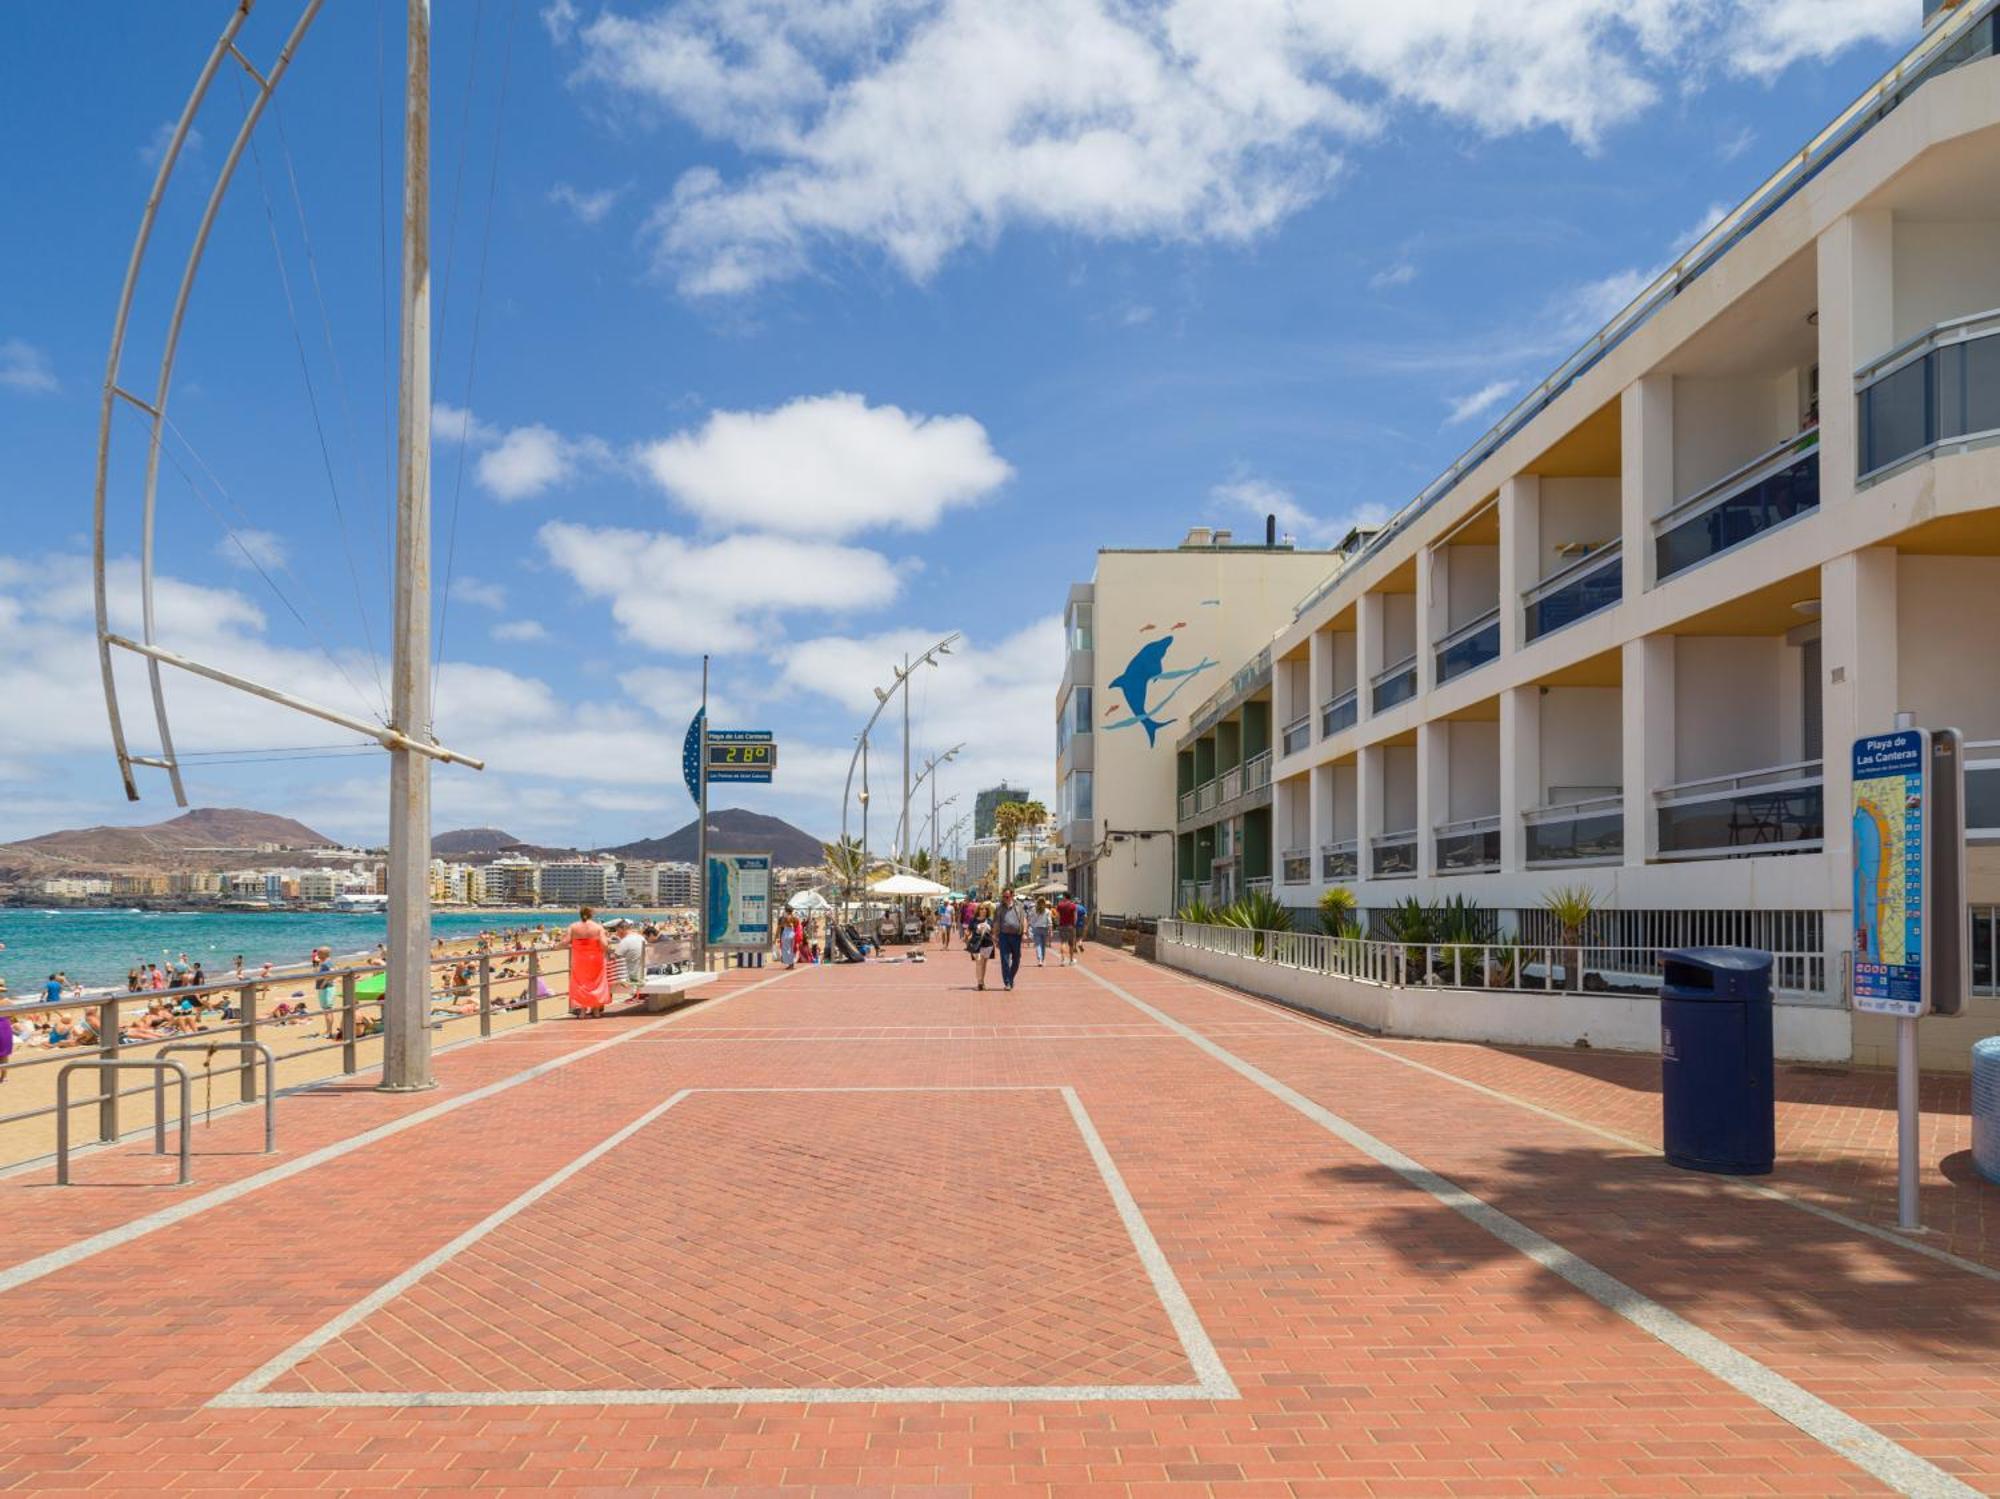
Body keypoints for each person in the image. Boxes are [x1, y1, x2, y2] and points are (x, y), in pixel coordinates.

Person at [567, 905, 610, 1018]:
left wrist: (554, 947)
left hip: (579, 959)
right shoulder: (598, 927)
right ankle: (596, 1011)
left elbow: (565, 941)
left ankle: (582, 1011)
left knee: (581, 984)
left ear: (580, 915)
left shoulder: (573, 926)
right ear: (592, 915)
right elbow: (604, 944)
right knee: (596, 983)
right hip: (596, 958)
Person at [992, 888, 1028, 992]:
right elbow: (996, 922)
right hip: (1004, 936)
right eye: (1003, 897)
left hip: (1016, 936)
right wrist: (994, 935)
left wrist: (1025, 932)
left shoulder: (1019, 906)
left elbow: (1024, 919)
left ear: (1012, 896)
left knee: (1017, 959)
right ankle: (1007, 982)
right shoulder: (999, 907)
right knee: (1004, 960)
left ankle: (1011, 977)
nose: (1005, 899)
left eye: (1007, 897)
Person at [610, 919, 645, 1003]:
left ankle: (602, 1004)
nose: (617, 933)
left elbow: (613, 957)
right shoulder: (640, 937)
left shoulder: (625, 941)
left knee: (606, 976)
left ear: (622, 929)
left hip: (632, 976)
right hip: (643, 972)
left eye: (617, 931)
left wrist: (608, 950)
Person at [313, 947, 338, 1038]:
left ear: (323, 954)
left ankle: (329, 1032)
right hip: (326, 988)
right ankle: (328, 1030)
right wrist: (315, 963)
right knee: (327, 1011)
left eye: (319, 953)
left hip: (326, 989)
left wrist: (324, 983)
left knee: (328, 1011)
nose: (317, 955)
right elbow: (316, 974)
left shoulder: (326, 963)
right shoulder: (326, 962)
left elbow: (334, 973)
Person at [966, 916, 995, 990]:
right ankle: (979, 983)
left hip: (987, 944)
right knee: (979, 963)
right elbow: (968, 931)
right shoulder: (974, 921)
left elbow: (993, 932)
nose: (983, 911)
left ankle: (982, 982)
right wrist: (967, 936)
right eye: (981, 909)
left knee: (984, 964)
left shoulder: (989, 921)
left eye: (985, 909)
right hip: (976, 945)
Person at [1055, 892, 1080, 965]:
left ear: (1065, 897)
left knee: (1063, 942)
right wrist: (1074, 925)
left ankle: (1062, 960)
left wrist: (1058, 924)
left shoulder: (1060, 905)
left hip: (1062, 926)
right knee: (1071, 944)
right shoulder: (1073, 906)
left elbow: (1057, 916)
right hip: (1070, 926)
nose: (1062, 898)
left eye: (1063, 896)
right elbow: (1075, 917)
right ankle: (1071, 960)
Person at [1029, 896, 1054, 966]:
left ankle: (1039, 959)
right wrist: (1051, 931)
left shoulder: (1033, 910)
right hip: (1044, 928)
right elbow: (1049, 922)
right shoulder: (1047, 911)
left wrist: (1031, 926)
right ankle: (1042, 959)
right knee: (1043, 945)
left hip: (1036, 928)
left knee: (1038, 945)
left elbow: (1030, 919)